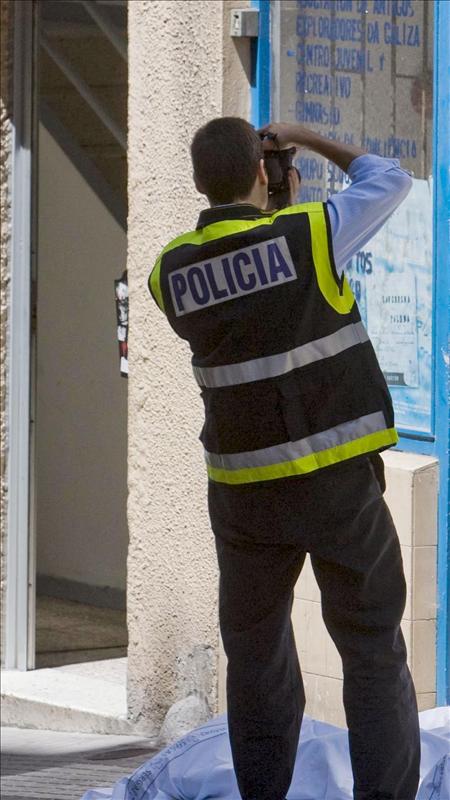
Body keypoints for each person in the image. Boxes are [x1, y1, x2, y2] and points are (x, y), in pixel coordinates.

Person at [147, 118, 420, 800]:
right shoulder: (309, 235)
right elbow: (387, 180)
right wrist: (309, 138)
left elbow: (246, 290)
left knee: (258, 661)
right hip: (338, 491)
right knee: (371, 652)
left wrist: (273, 202)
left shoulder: (169, 272)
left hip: (244, 503)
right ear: (265, 173)